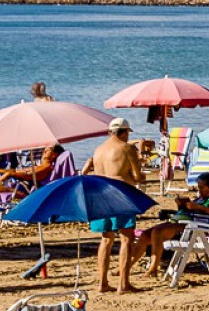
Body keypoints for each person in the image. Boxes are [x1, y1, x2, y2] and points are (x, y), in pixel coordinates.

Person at [84, 118, 145, 293]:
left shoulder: (98, 150)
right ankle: (123, 284)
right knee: (126, 238)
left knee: (106, 238)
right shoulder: (127, 148)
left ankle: (102, 283)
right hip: (120, 194)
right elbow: (136, 176)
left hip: (100, 194)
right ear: (124, 132)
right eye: (127, 134)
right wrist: (143, 175)